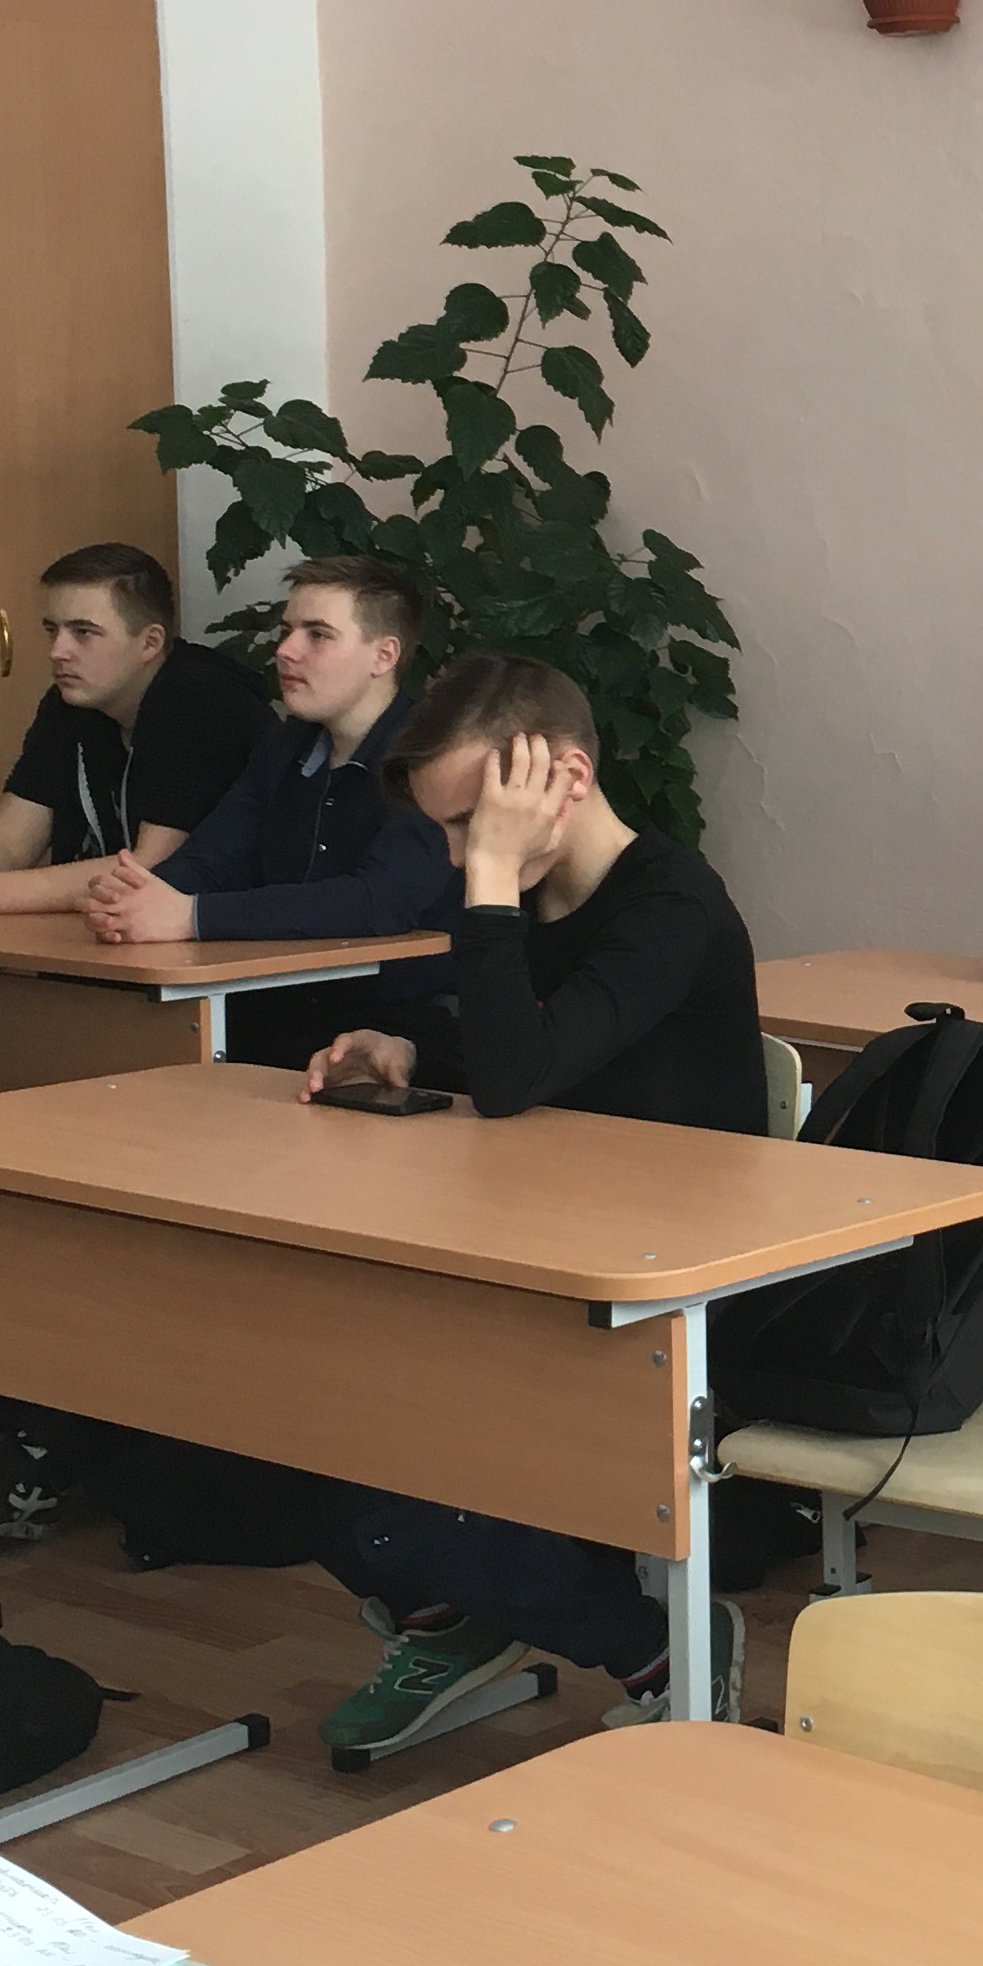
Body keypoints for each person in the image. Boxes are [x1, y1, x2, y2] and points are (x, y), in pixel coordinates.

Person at [291, 653, 766, 1751]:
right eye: (452, 834)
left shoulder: (672, 905)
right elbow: (526, 1051)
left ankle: (656, 1644)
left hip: (665, 1288)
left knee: (382, 1446)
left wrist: (494, 880)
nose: (462, 859)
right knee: (278, 1392)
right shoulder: (533, 901)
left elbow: (520, 1077)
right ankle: (454, 1616)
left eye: (476, 826)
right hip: (537, 1250)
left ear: (567, 778)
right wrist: (410, 1046)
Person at [82, 555, 452, 1065]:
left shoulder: (430, 760)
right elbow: (213, 858)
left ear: (383, 655)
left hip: (397, 1032)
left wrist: (191, 916)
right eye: (287, 630)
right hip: (275, 1011)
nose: (286, 650)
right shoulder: (286, 745)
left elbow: (376, 902)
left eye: (317, 635)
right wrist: (139, 899)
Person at [0, 543, 272, 921]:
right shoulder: (72, 701)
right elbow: (6, 842)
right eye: (52, 630)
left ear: (150, 643)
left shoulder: (202, 700)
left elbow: (150, 869)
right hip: (115, 933)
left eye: (83, 632)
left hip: (229, 948)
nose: (57, 651)